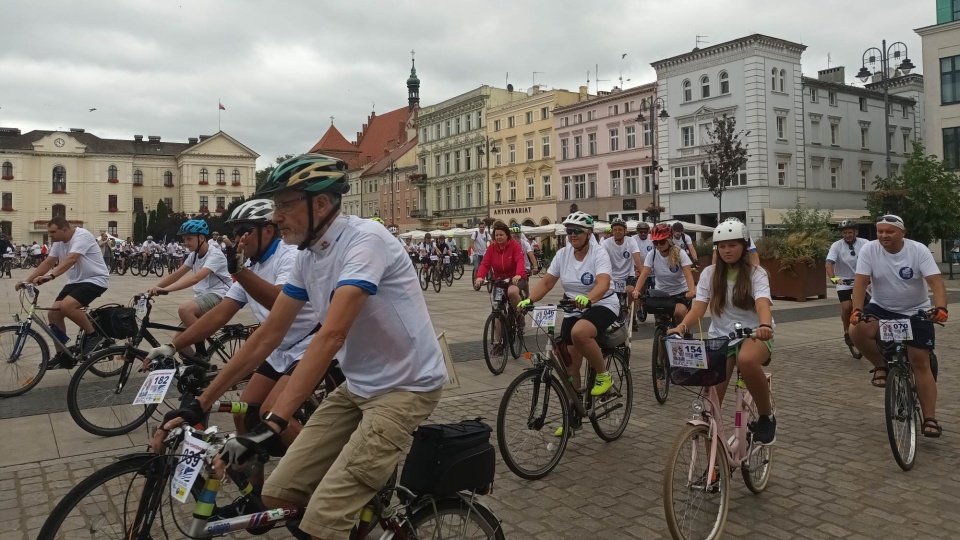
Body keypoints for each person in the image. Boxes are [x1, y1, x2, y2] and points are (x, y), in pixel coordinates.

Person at [160, 153, 445, 539]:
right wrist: (201, 403)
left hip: (405, 387)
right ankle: (361, 503)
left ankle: (342, 510)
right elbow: (268, 334)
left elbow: (331, 335)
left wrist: (273, 422)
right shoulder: (308, 257)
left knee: (320, 523)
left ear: (321, 204)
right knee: (279, 493)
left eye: (285, 205)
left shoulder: (366, 241)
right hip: (360, 385)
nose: (276, 217)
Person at [148, 200, 325, 505]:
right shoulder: (251, 264)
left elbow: (280, 302)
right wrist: (173, 345)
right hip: (278, 345)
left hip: (309, 343)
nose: (238, 238)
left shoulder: (289, 256)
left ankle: (318, 477)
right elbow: (219, 315)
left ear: (268, 230)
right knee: (245, 411)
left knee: (272, 413)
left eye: (245, 231)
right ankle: (254, 489)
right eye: (236, 232)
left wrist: (240, 271)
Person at [669, 219, 777, 445]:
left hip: (754, 334)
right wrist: (681, 327)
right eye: (722, 246)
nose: (727, 250)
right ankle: (713, 470)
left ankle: (767, 416)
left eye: (732, 245)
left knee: (746, 360)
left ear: (744, 246)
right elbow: (698, 308)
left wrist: (765, 326)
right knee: (710, 406)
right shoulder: (709, 274)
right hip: (721, 337)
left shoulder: (757, 274)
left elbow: (762, 303)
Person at [849, 214, 948, 438]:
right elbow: (861, 282)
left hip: (916, 311)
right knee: (856, 330)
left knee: (920, 362)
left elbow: (936, 283)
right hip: (882, 308)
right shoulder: (870, 250)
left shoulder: (918, 250)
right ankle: (881, 365)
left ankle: (930, 418)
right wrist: (857, 310)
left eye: (889, 231)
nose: (884, 235)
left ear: (902, 232)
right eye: (880, 231)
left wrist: (941, 307)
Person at [519, 211, 619, 406]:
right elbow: (547, 282)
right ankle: (573, 412)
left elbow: (603, 283)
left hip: (602, 303)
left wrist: (589, 299)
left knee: (579, 333)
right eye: (569, 231)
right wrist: (529, 300)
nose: (573, 234)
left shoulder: (599, 253)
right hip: (574, 307)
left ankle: (603, 375)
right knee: (569, 364)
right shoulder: (563, 254)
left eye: (577, 231)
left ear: (589, 233)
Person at [18, 218, 110, 366]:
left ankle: (94, 336)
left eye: (53, 232)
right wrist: (27, 280)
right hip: (75, 281)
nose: (50, 235)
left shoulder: (82, 236)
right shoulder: (58, 242)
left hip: (95, 279)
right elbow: (48, 262)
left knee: (66, 306)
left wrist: (51, 276)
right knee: (53, 314)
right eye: (49, 232)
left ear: (65, 230)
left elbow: (72, 259)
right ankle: (62, 354)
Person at [148, 220, 231, 355]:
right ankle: (198, 368)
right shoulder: (194, 255)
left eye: (189, 239)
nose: (186, 243)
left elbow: (196, 278)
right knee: (177, 345)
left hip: (220, 294)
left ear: (202, 238)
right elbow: (177, 274)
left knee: (185, 309)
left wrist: (166, 290)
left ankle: (201, 352)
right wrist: (153, 288)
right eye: (184, 239)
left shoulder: (215, 254)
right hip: (203, 296)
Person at [475, 221, 527, 355]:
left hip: (515, 278)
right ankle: (498, 344)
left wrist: (518, 274)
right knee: (497, 311)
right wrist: (480, 277)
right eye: (496, 235)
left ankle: (519, 313)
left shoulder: (514, 246)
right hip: (499, 280)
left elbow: (520, 260)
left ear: (507, 235)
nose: (498, 237)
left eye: (501, 235)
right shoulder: (492, 248)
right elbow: (485, 263)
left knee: (512, 292)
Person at [632, 223, 696, 324]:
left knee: (679, 313)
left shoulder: (680, 253)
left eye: (661, 241)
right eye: (655, 242)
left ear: (669, 240)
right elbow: (644, 273)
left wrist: (692, 291)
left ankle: (684, 334)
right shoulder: (652, 254)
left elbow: (688, 274)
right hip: (661, 293)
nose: (658, 245)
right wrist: (636, 290)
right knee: (660, 322)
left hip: (680, 293)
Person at [825, 220, 869, 351]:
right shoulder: (836, 246)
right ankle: (846, 330)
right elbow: (829, 263)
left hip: (862, 281)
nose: (847, 235)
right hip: (844, 282)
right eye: (845, 232)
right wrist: (833, 278)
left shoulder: (865, 243)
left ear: (856, 232)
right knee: (847, 306)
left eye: (850, 232)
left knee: (867, 307)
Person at [601, 218, 643, 308]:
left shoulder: (631, 241)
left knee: (631, 292)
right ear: (612, 231)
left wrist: (643, 274)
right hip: (612, 276)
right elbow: (601, 260)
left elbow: (637, 259)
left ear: (625, 231)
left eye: (620, 229)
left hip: (628, 275)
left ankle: (632, 315)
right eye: (615, 230)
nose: (617, 232)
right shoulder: (606, 243)